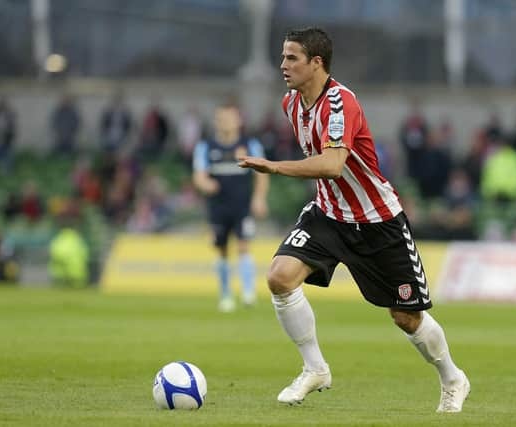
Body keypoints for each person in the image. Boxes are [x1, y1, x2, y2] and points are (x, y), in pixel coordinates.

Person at [238, 27, 469, 413]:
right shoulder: (291, 104)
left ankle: (452, 378)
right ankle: (315, 368)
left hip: (377, 221)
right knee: (279, 277)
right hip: (328, 215)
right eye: (282, 57)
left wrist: (274, 167)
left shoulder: (342, 102)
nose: (283, 65)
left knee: (406, 317)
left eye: (291, 58)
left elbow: (332, 165)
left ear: (317, 63)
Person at [193, 103, 269, 312]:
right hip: (218, 207)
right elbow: (199, 175)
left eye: (230, 118)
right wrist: (204, 183)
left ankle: (248, 292)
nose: (225, 122)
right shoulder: (206, 147)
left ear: (238, 121)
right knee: (222, 250)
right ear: (216, 121)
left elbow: (262, 173)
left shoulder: (249, 145)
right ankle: (225, 295)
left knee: (244, 246)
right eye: (221, 118)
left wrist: (259, 198)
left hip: (242, 206)